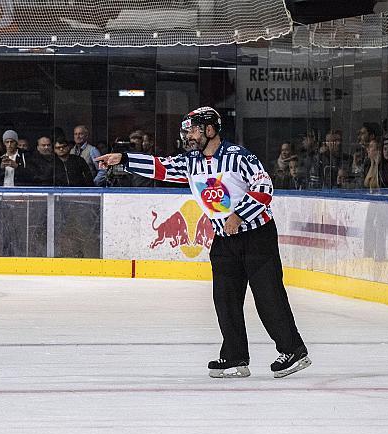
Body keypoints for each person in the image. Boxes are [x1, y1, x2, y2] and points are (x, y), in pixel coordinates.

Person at [96, 106, 311, 379]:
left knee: (268, 297)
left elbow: (264, 187)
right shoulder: (191, 162)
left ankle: (294, 350)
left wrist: (239, 214)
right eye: (187, 130)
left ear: (210, 130)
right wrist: (122, 159)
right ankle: (234, 357)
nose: (189, 135)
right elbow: (161, 167)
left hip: (257, 236)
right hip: (223, 240)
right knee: (225, 300)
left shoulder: (239, 157)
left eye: (194, 130)